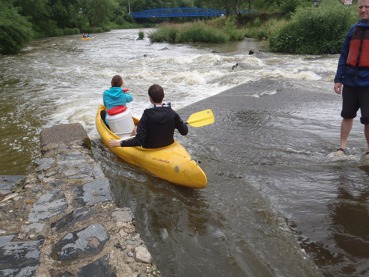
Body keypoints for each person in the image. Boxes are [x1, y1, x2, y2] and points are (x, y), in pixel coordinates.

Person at [333, 0, 369, 156]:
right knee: (347, 115)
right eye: (361, 7)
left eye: (367, 7)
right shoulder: (353, 29)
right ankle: (342, 147)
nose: (363, 10)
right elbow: (344, 55)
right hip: (350, 81)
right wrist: (338, 79)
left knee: (368, 119)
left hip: (368, 83)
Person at [109, 84, 188, 149]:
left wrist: (119, 143)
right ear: (163, 96)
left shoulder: (147, 115)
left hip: (150, 147)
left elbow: (138, 141)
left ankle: (131, 134)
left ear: (150, 98)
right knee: (138, 127)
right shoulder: (172, 113)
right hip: (168, 143)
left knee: (136, 128)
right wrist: (181, 123)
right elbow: (184, 131)